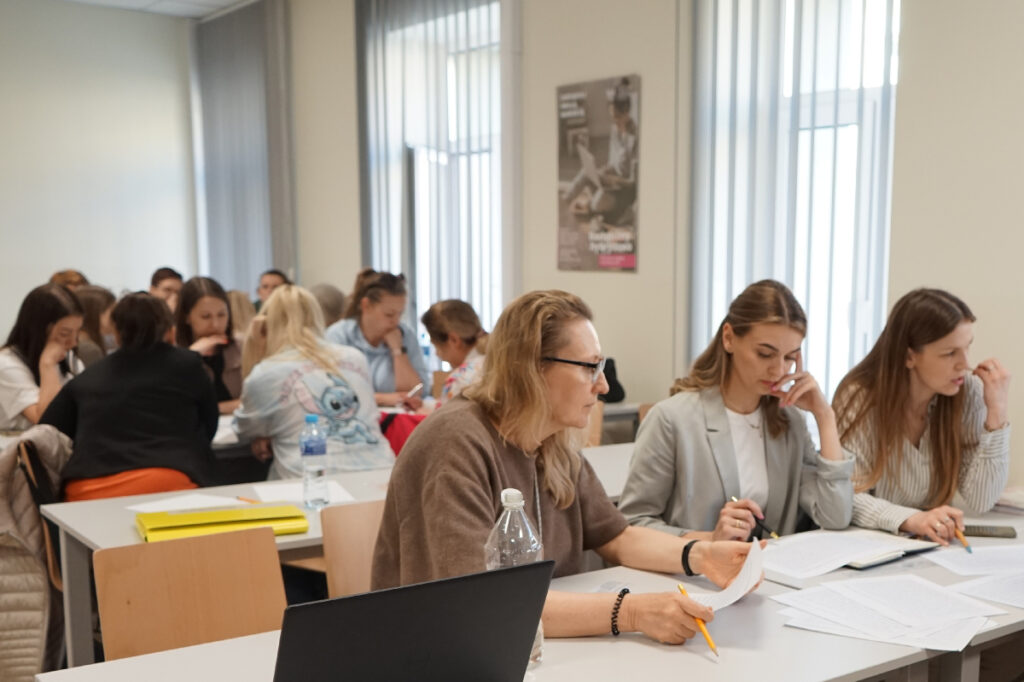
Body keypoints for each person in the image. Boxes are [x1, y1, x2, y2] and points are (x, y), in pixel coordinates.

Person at [372, 290, 758, 645]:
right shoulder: (454, 442)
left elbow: (617, 536)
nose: (602, 386)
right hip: (443, 651)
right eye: (589, 367)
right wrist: (632, 612)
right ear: (532, 369)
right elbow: (483, 599)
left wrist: (702, 556)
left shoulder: (551, 439)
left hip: (532, 643)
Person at [618, 281, 853, 541]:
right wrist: (708, 540)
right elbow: (634, 525)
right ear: (728, 338)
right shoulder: (671, 419)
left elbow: (836, 517)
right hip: (695, 567)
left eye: (789, 357)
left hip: (773, 566)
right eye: (765, 354)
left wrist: (824, 416)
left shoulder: (790, 422)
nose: (778, 370)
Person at [833, 289, 1011, 543]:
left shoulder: (967, 392)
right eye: (950, 353)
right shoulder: (859, 398)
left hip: (931, 546)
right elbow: (846, 497)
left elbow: (981, 500)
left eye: (967, 347)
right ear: (909, 356)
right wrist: (911, 519)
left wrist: (997, 414)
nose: (965, 364)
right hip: (870, 546)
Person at [41, 293, 218, 501]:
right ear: (170, 331)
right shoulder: (188, 365)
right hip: (165, 480)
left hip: (86, 488)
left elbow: (47, 431)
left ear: (116, 333)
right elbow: (209, 424)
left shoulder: (89, 377)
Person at [234, 285, 394, 479]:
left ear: (267, 325)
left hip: (309, 482)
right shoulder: (355, 357)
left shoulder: (266, 371)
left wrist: (255, 350)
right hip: (382, 474)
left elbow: (245, 429)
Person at [325, 269, 430, 408]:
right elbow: (330, 390)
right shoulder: (338, 335)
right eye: (389, 314)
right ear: (366, 306)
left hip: (397, 418)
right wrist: (381, 399)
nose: (396, 321)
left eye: (400, 314)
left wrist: (398, 350)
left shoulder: (405, 334)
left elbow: (418, 392)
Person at [0, 284, 84, 430]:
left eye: (77, 332)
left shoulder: (69, 358)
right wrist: (48, 364)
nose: (73, 342)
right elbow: (47, 418)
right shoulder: (6, 364)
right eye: (65, 334)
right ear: (37, 329)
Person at [562, 77, 638, 226]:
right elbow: (612, 163)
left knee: (598, 201)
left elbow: (633, 183)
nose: (615, 122)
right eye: (612, 118)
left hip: (624, 191)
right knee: (587, 171)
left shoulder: (637, 137)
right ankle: (566, 199)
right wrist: (602, 172)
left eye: (617, 117)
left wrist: (613, 180)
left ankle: (596, 206)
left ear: (627, 112)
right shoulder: (615, 130)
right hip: (612, 183)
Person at [175, 276, 241, 414]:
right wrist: (190, 356)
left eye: (222, 315)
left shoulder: (242, 347)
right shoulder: (174, 354)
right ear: (186, 317)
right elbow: (176, 406)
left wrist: (215, 408)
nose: (215, 325)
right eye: (206, 316)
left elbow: (255, 400)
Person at [421, 299, 488, 405]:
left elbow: (445, 415)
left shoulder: (459, 380)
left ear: (454, 340)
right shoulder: (496, 362)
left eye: (436, 346)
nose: (436, 354)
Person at [74, 285, 116, 367]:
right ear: (95, 314)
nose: (116, 318)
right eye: (112, 312)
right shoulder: (88, 349)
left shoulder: (82, 343)